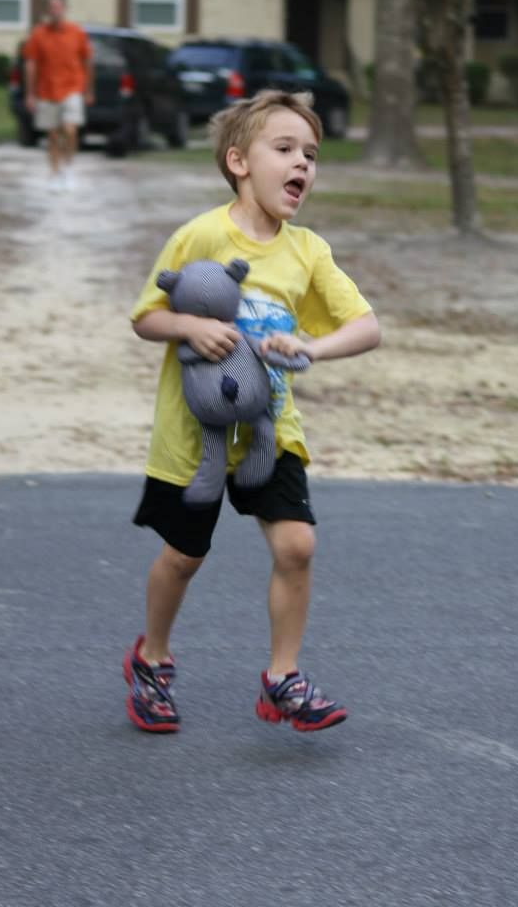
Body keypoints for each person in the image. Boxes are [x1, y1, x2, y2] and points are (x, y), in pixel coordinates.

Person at [124, 89, 380, 734]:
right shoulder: (203, 234)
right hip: (194, 433)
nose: (303, 165)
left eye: (312, 155)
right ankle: (151, 659)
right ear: (239, 161)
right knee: (183, 556)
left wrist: (311, 347)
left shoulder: (307, 251)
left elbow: (367, 326)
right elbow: (147, 316)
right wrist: (188, 324)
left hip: (271, 429)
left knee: (297, 546)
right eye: (286, 149)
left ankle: (282, 679)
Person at [23, 0, 93, 191]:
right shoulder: (38, 34)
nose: (55, 11)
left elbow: (87, 61)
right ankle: (54, 173)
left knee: (70, 130)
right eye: (51, 7)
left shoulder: (77, 32)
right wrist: (30, 94)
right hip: (46, 90)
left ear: (65, 9)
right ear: (47, 10)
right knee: (52, 135)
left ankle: (69, 168)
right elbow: (31, 64)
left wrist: (88, 89)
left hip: (72, 87)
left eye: (59, 7)